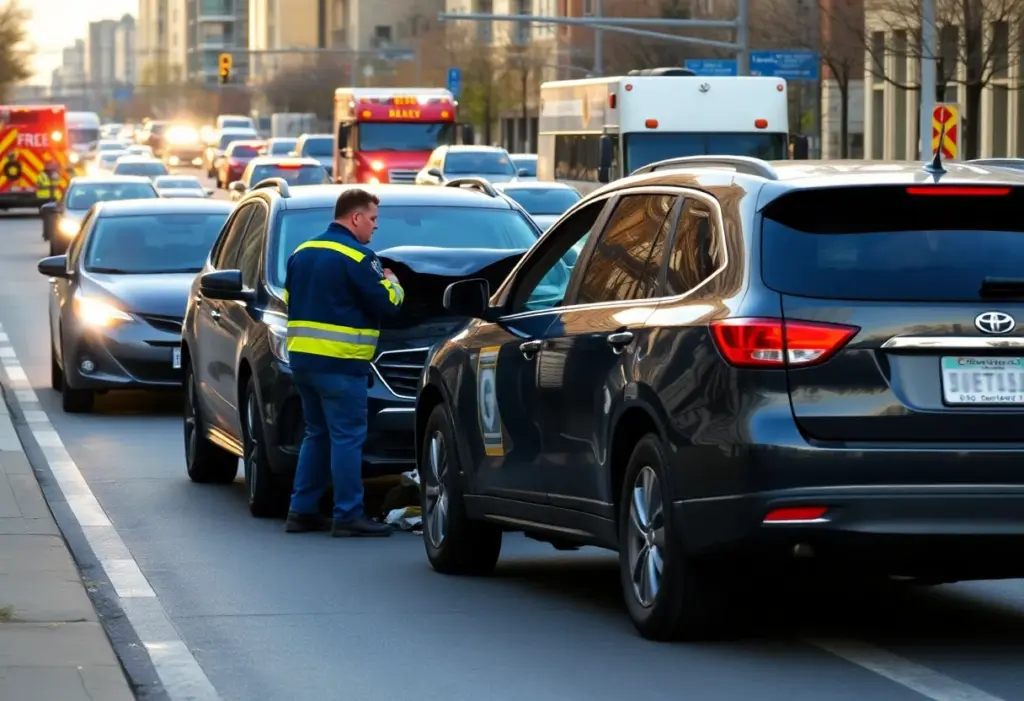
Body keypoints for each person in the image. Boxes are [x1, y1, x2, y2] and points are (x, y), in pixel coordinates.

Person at [282, 188, 405, 537]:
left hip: (303, 362)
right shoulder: (360, 257)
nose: (375, 227)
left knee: (316, 434)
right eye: (373, 219)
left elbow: (291, 299)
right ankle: (348, 515)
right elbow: (387, 305)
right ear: (355, 218)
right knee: (347, 438)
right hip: (341, 365)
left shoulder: (302, 252)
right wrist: (394, 283)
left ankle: (301, 511)